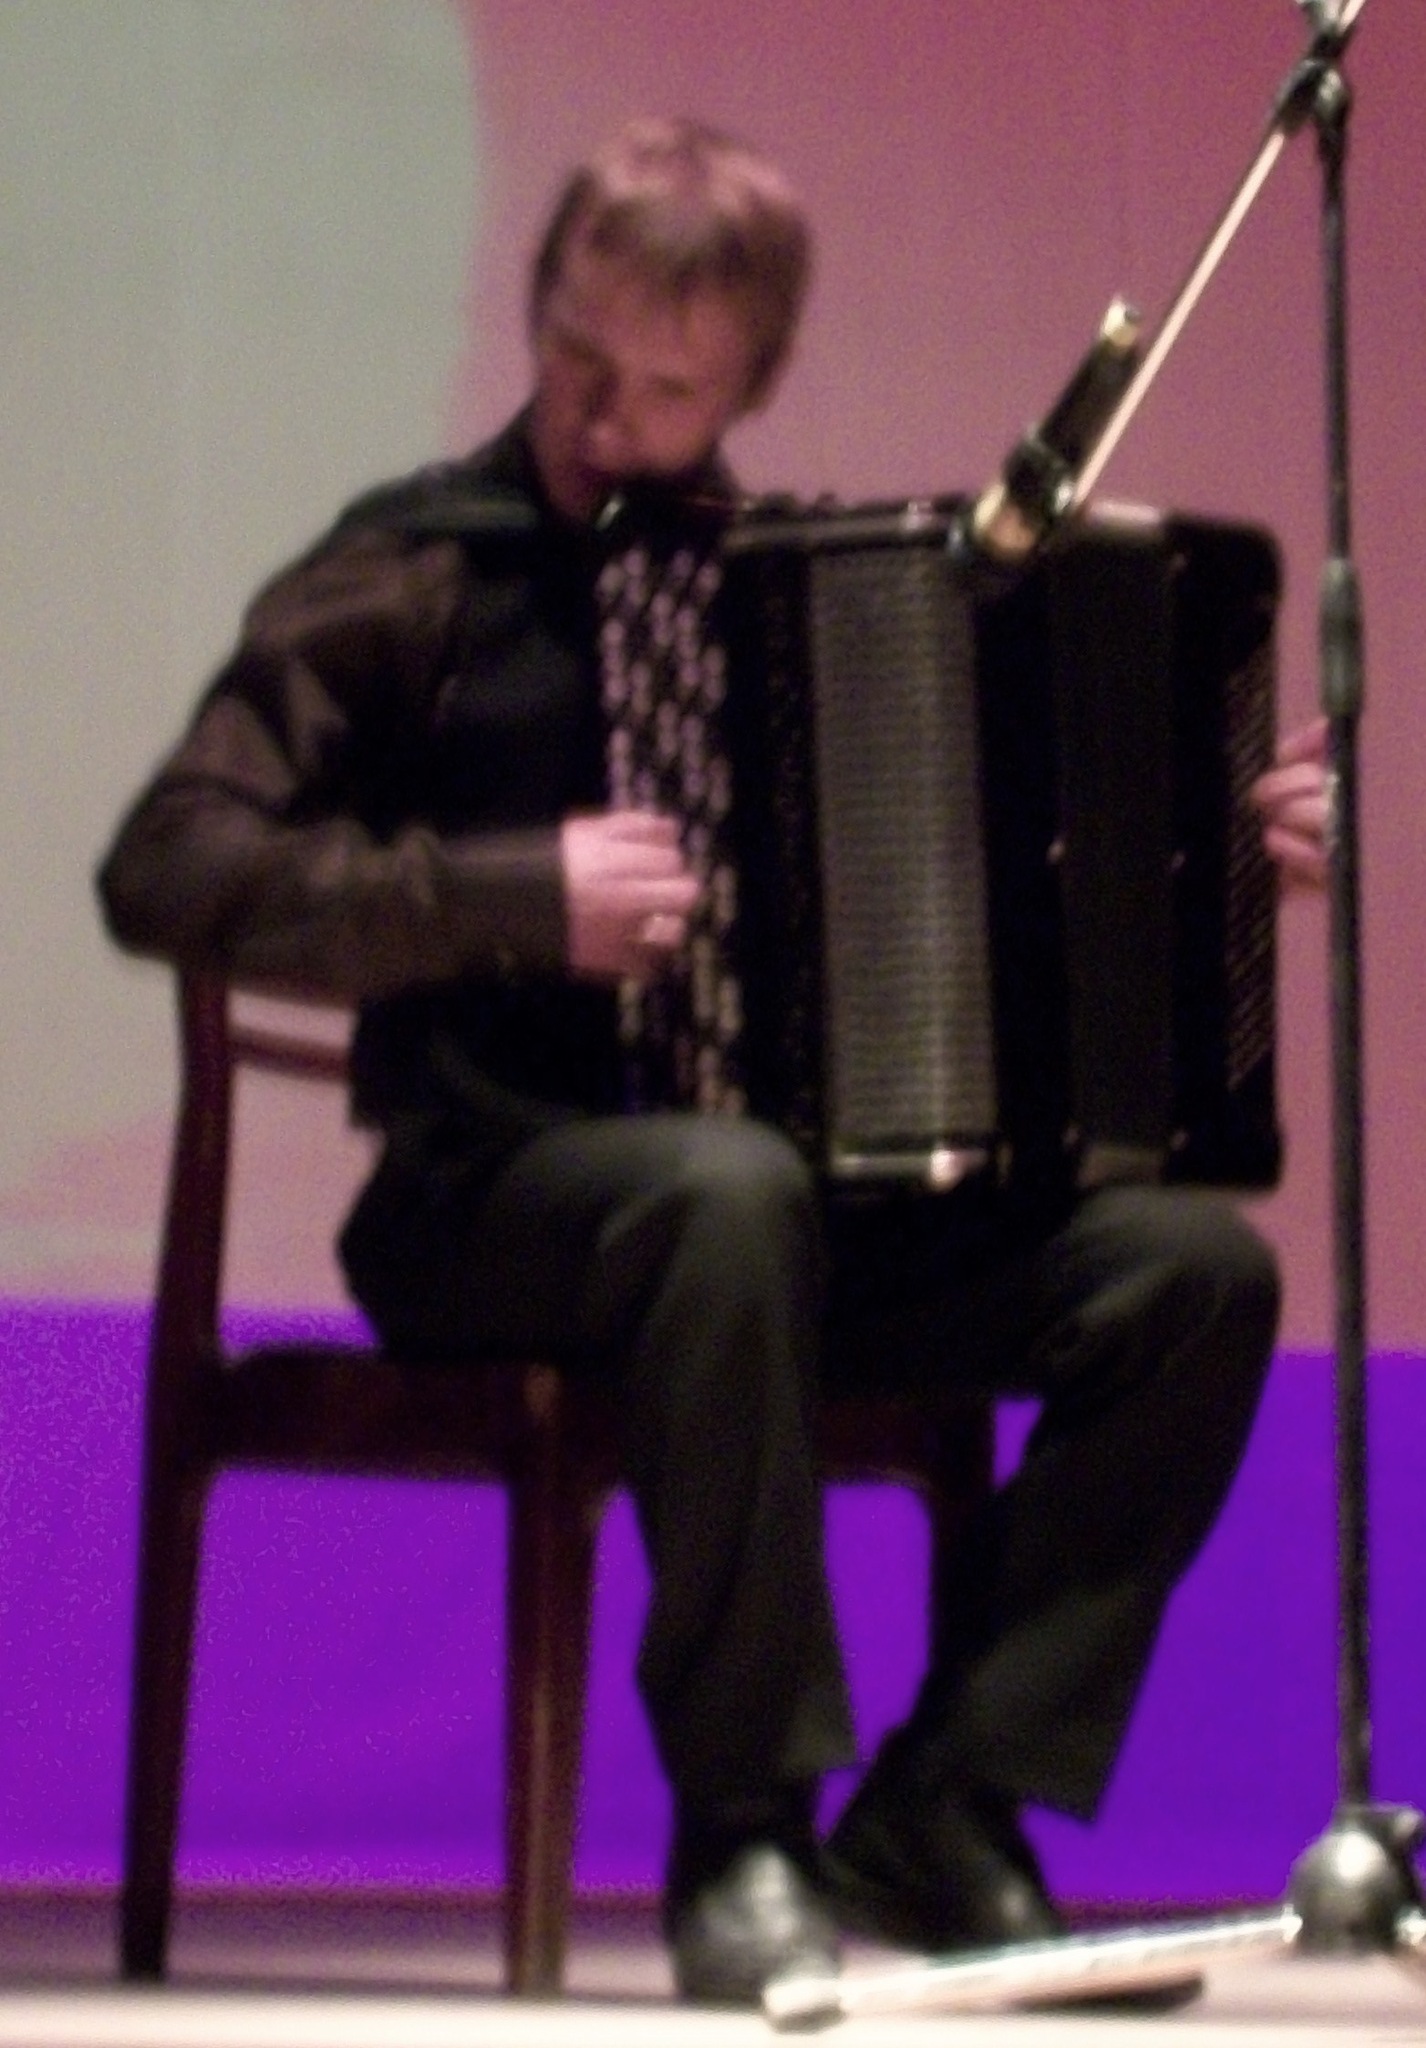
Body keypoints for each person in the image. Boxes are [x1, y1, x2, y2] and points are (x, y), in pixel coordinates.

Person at [98, 117, 1328, 2006]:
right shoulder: (411, 572)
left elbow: (1014, 892)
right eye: (576, 355)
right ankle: (742, 1828)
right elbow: (169, 865)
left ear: (750, 383)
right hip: (485, 1198)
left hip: (785, 1238)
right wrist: (508, 897)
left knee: (1187, 1274)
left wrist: (1206, 848)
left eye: (665, 391)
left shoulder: (820, 590)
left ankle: (950, 1802)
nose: (602, 417)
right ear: (535, 303)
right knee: (722, 1189)